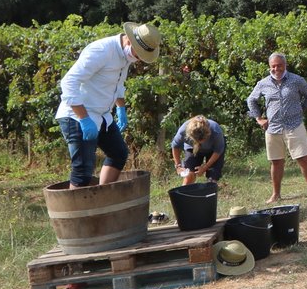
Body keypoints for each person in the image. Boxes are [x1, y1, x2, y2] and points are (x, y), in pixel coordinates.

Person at [54, 21, 161, 188]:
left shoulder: (127, 56)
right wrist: (84, 119)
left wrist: (121, 108)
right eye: (139, 54)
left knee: (119, 153)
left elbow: (118, 84)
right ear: (130, 41)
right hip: (76, 115)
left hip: (103, 116)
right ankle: (77, 213)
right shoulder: (101, 51)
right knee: (83, 169)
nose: (139, 59)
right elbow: (68, 82)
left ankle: (102, 198)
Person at [247, 53, 307, 203]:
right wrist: (258, 118)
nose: (276, 69)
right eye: (273, 66)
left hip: (294, 125)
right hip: (273, 128)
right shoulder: (263, 83)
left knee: (304, 159)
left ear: (285, 65)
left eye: (279, 65)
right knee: (276, 162)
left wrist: (303, 109)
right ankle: (276, 194)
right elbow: (251, 100)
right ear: (269, 67)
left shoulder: (296, 80)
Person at [170, 115, 226, 184]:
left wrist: (205, 166)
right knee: (189, 173)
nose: (200, 143)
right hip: (192, 148)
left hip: (213, 151)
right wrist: (178, 165)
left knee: (213, 177)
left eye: (203, 140)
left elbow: (218, 151)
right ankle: (184, 192)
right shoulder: (183, 130)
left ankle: (210, 190)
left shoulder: (216, 131)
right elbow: (175, 146)